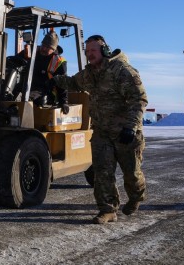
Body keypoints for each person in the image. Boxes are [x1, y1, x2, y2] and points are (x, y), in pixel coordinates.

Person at [51, 34, 148, 224]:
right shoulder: (88, 74)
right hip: (102, 133)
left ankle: (137, 197)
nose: (89, 55)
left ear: (104, 50)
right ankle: (108, 209)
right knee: (102, 172)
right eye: (87, 52)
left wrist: (131, 126)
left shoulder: (122, 71)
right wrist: (54, 80)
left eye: (93, 51)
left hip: (125, 133)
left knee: (132, 174)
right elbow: (72, 82)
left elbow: (139, 99)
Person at [18, 31, 70, 113]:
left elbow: (62, 82)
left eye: (48, 47)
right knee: (8, 94)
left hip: (45, 90)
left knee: (27, 98)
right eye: (43, 45)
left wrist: (64, 102)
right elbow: (15, 60)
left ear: (54, 49)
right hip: (25, 85)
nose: (44, 48)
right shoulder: (31, 51)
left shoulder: (59, 61)